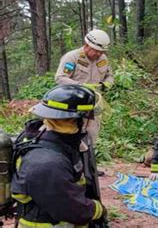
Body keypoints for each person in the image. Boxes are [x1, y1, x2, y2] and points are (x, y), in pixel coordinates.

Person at [11, 85, 107, 227]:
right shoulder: (47, 162)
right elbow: (70, 207)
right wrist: (98, 210)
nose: (93, 122)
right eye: (90, 118)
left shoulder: (54, 138)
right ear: (74, 120)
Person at [55, 29, 114, 144]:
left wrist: (107, 84)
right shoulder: (72, 57)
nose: (99, 54)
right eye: (96, 51)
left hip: (94, 101)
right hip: (73, 102)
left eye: (101, 52)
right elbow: (60, 78)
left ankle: (89, 157)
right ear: (87, 45)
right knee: (72, 132)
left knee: (92, 132)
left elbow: (109, 75)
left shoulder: (103, 59)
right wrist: (81, 86)